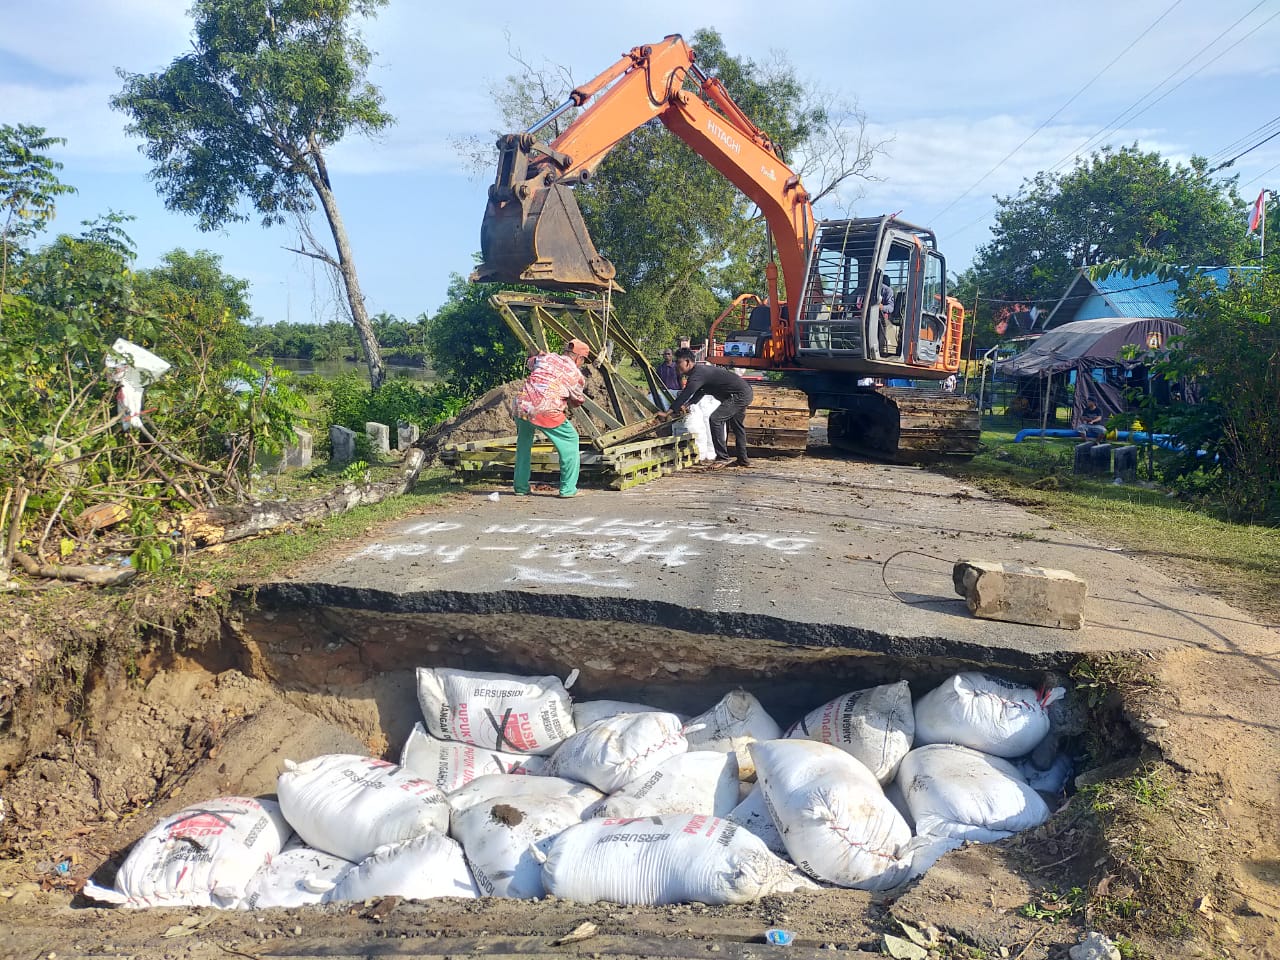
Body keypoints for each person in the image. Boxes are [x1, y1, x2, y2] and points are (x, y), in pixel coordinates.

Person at [512, 339, 589, 498]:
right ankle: (568, 489)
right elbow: (577, 401)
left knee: (524, 442)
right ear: (578, 359)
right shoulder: (576, 375)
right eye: (583, 361)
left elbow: (531, 363)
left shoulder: (547, 358)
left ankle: (520, 487)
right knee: (571, 439)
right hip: (545, 408)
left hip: (522, 404)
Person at [656, 348, 754, 467]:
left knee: (715, 419)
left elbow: (686, 393)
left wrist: (668, 413)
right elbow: (701, 391)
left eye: (678, 362)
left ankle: (722, 457)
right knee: (737, 426)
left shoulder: (697, 374)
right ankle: (743, 459)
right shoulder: (699, 373)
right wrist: (687, 405)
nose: (676, 366)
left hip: (738, 395)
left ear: (687, 362)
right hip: (742, 392)